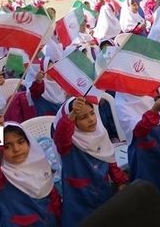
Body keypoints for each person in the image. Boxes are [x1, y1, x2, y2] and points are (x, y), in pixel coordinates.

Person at [54, 96, 128, 225]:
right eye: (83, 117)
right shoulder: (69, 143)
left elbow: (109, 158)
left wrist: (120, 181)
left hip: (102, 189)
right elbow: (61, 136)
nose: (91, 119)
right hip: (80, 198)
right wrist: (71, 115)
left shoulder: (100, 133)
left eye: (92, 113)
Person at [0, 116, 61, 226]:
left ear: (29, 142)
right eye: (7, 146)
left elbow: (51, 195)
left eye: (21, 142)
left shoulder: (39, 163)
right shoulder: (0, 178)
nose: (16, 149)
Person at [115, 92, 160, 225]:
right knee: (149, 185)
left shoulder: (144, 96)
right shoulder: (122, 103)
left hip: (158, 146)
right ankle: (153, 215)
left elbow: (157, 123)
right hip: (143, 155)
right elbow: (138, 130)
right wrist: (154, 110)